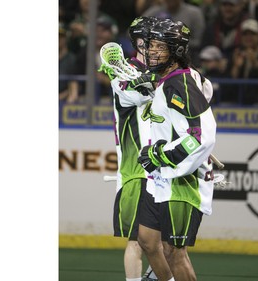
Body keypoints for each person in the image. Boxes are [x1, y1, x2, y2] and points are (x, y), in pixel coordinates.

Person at [136, 18, 217, 281]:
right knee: (149, 241)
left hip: (183, 183)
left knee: (173, 251)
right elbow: (205, 91)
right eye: (150, 45)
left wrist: (159, 155)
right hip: (164, 179)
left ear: (177, 50)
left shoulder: (178, 84)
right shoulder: (171, 79)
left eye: (159, 46)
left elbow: (200, 135)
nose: (151, 51)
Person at [98, 16, 163, 281]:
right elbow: (136, 94)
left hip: (163, 169)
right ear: (140, 42)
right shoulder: (123, 73)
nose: (160, 47)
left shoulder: (165, 73)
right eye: (155, 42)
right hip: (136, 171)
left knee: (167, 245)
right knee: (137, 241)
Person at [142, 0, 205, 65]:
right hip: (156, 57)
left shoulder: (194, 13)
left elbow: (198, 41)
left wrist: (174, 43)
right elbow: (140, 30)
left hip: (187, 57)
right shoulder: (155, 11)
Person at [229, 18, 258, 105]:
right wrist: (236, 66)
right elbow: (230, 82)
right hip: (238, 101)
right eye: (245, 34)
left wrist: (255, 62)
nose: (248, 38)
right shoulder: (236, 52)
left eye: (252, 34)